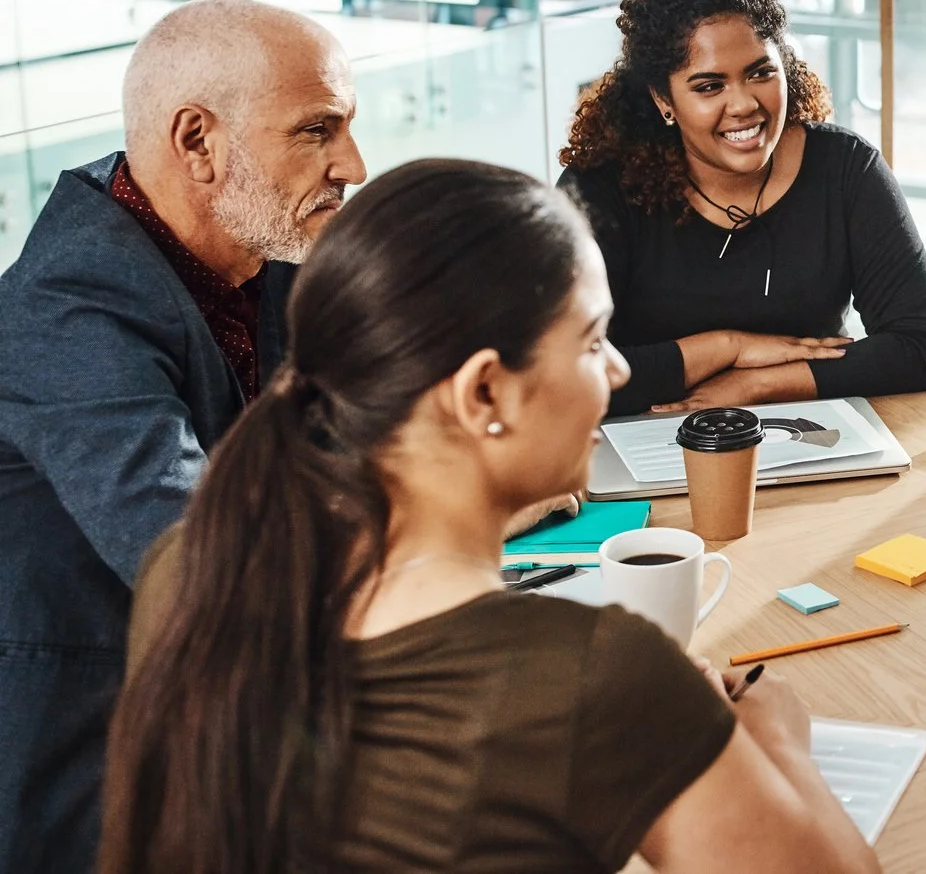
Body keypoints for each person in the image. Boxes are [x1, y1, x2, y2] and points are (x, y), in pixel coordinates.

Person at [100, 159, 879, 874]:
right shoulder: (595, 676)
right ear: (483, 395)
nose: (615, 371)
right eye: (592, 341)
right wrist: (778, 741)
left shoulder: (189, 567)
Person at [0, 0, 366, 874]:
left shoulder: (258, 252)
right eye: (315, 131)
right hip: (96, 764)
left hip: (242, 719)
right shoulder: (64, 313)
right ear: (197, 142)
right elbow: (199, 555)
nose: (352, 163)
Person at [560, 0, 926, 415]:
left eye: (760, 73)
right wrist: (727, 348)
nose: (744, 104)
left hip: (812, 435)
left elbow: (922, 348)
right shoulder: (599, 190)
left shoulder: (845, 168)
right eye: (709, 87)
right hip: (642, 442)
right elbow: (558, 374)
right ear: (664, 100)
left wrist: (757, 387)